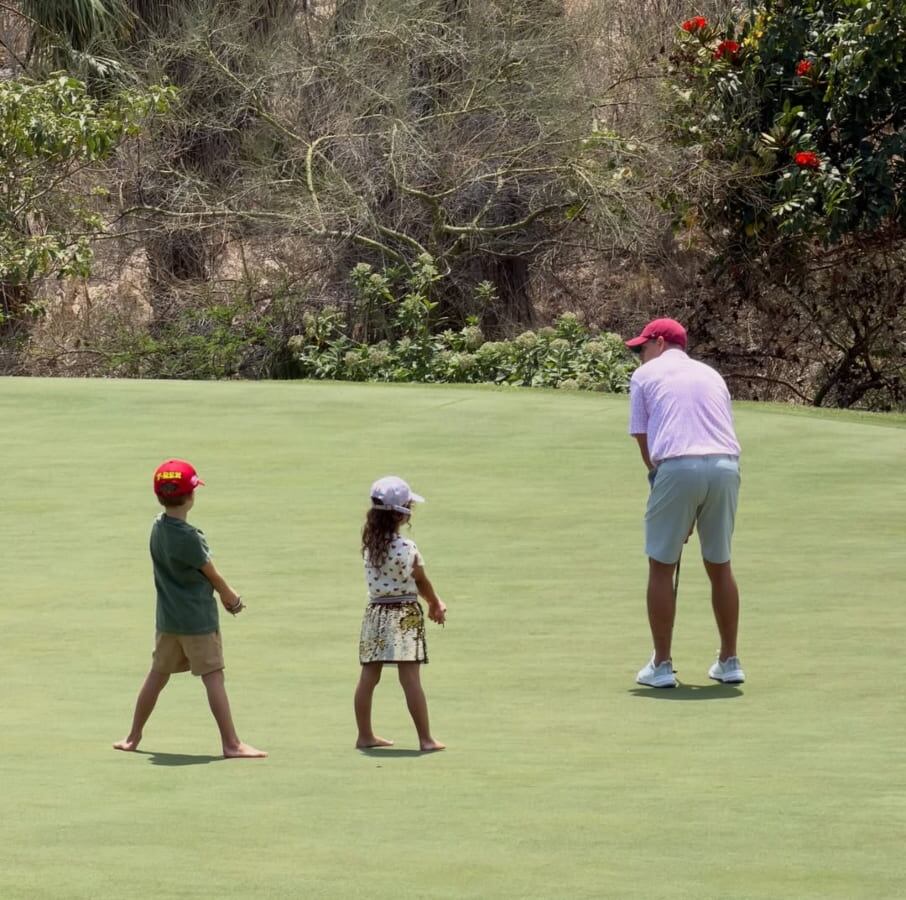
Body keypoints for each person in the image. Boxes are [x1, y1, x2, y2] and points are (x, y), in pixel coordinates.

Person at [113, 459, 267, 758]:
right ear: (190, 496)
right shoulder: (189, 537)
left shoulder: (157, 527)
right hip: (197, 621)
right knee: (213, 677)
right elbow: (211, 573)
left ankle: (133, 737)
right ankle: (231, 744)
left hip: (168, 620)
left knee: (157, 675)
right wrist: (231, 597)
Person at [625, 318, 745, 688]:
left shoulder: (645, 377)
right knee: (720, 564)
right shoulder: (712, 375)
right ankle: (730, 661)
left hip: (677, 465)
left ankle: (661, 665)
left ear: (659, 343)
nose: (639, 357)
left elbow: (645, 443)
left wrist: (664, 487)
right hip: (726, 466)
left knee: (661, 565)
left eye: (641, 348)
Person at [354, 476, 447, 751]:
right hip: (405, 613)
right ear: (402, 514)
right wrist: (435, 603)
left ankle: (365, 735)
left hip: (376, 613)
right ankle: (425, 738)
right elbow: (420, 581)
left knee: (369, 677)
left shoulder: (370, 545)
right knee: (410, 679)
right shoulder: (407, 548)